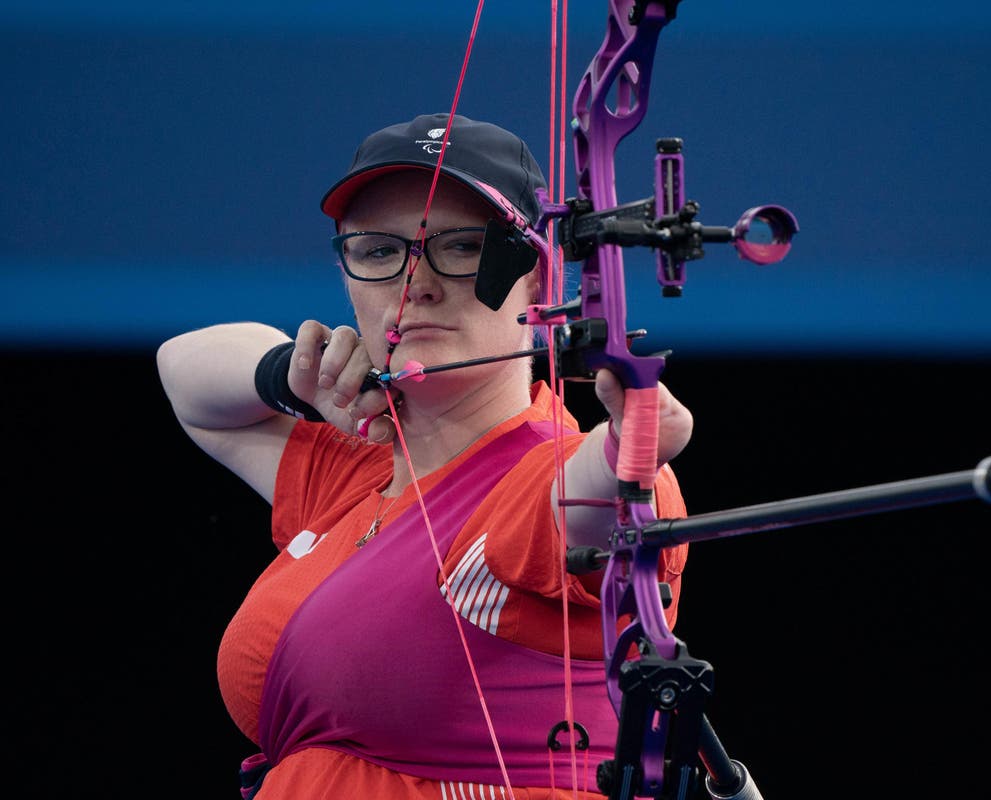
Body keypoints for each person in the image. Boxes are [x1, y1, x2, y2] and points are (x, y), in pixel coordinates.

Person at [156, 112, 694, 800]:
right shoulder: (361, 466)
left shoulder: (538, 477)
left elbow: (593, 503)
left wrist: (634, 443)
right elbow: (185, 377)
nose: (417, 284)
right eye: (380, 251)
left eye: (464, 247)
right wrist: (297, 372)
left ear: (541, 285)